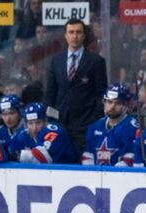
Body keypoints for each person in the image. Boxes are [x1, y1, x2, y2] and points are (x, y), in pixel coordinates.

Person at [43, 18, 107, 148]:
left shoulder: (96, 61)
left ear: (84, 35)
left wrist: (93, 119)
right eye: (71, 32)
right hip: (60, 123)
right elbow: (51, 92)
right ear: (65, 35)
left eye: (78, 32)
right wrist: (51, 120)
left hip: (86, 124)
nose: (75, 36)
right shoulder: (56, 60)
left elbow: (101, 93)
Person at [82, 84, 139, 167]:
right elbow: (87, 155)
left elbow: (129, 158)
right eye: (109, 102)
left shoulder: (131, 128)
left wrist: (111, 176)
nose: (112, 106)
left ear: (126, 105)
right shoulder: (95, 127)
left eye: (117, 103)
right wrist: (92, 174)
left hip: (121, 177)